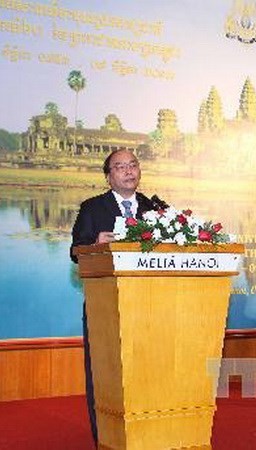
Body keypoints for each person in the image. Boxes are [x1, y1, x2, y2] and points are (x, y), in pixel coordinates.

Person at [70, 149, 157, 443]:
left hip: (150, 305)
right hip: (105, 307)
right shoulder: (93, 208)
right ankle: (105, 436)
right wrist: (96, 243)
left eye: (133, 165)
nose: (128, 171)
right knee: (104, 373)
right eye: (120, 167)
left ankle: (147, 431)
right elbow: (76, 251)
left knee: (148, 369)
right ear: (109, 176)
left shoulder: (155, 208)